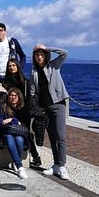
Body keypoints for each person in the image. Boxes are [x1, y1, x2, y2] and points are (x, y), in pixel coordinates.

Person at [30, 44, 70, 180]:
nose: (39, 57)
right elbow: (33, 91)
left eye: (42, 54)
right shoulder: (34, 72)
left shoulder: (53, 65)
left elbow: (64, 53)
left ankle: (62, 165)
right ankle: (56, 165)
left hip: (58, 104)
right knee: (52, 138)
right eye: (37, 55)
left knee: (61, 136)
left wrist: (48, 48)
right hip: (44, 108)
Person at [0, 87, 30, 179]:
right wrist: (15, 122)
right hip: (6, 133)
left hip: (20, 133)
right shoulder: (3, 108)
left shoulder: (23, 109)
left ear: (19, 97)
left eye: (15, 95)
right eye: (11, 95)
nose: (13, 97)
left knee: (19, 140)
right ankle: (19, 166)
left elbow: (25, 124)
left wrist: (11, 120)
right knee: (9, 138)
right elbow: (0, 123)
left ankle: (16, 162)